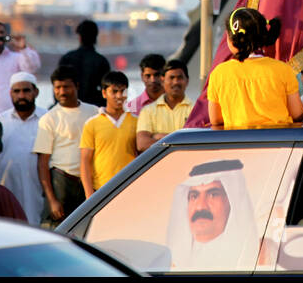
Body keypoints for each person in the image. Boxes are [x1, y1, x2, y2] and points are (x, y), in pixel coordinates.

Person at [208, 8, 303, 128]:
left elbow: (215, 119)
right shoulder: (282, 69)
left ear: (230, 40)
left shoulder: (219, 74)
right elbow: (297, 113)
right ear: (263, 36)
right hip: (278, 143)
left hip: (238, 144)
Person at [33, 66, 100, 225]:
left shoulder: (94, 112)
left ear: (77, 86)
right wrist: (52, 200)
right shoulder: (49, 118)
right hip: (61, 183)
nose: (62, 92)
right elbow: (42, 163)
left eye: (66, 87)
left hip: (90, 183)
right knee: (57, 232)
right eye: (58, 87)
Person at [166, 160, 257, 271]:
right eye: (194, 196)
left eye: (213, 195)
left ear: (232, 201)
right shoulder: (169, 264)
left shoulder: (260, 254)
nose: (200, 206)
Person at [0, 72, 46, 224]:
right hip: (7, 187)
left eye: (26, 90)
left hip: (37, 189)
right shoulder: (0, 122)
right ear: (10, 93)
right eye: (17, 91)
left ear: (35, 92)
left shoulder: (47, 119)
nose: (21, 95)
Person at [79, 70, 137, 199]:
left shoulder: (136, 121)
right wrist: (90, 196)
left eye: (123, 91)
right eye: (114, 91)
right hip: (101, 190)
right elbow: (85, 162)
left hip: (130, 187)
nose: (119, 96)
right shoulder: (92, 124)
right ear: (104, 93)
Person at [136, 60, 193, 152]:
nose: (175, 82)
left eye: (180, 77)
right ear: (162, 81)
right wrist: (182, 140)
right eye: (171, 77)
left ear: (187, 81)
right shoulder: (148, 111)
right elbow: (142, 144)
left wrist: (159, 137)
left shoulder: (196, 110)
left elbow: (198, 142)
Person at [60, 19, 111, 108]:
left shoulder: (67, 58)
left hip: (70, 107)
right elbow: (108, 90)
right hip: (95, 107)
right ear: (96, 37)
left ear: (79, 37)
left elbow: (59, 85)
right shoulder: (101, 61)